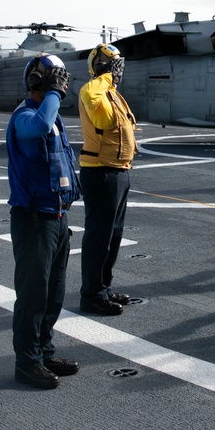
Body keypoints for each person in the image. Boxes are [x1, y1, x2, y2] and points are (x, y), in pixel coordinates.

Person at [7, 53, 81, 390]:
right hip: (33, 220)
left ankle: (44, 351)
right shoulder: (24, 117)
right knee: (33, 296)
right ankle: (27, 363)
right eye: (53, 79)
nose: (60, 86)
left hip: (56, 219)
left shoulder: (54, 118)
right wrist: (53, 93)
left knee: (54, 294)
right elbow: (37, 126)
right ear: (36, 82)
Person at [78, 43, 137, 316]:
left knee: (113, 236)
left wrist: (110, 80)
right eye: (114, 65)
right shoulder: (94, 89)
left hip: (118, 171)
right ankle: (91, 295)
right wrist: (105, 74)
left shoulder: (112, 94)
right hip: (100, 171)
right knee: (99, 237)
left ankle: (104, 287)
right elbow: (91, 98)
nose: (118, 71)